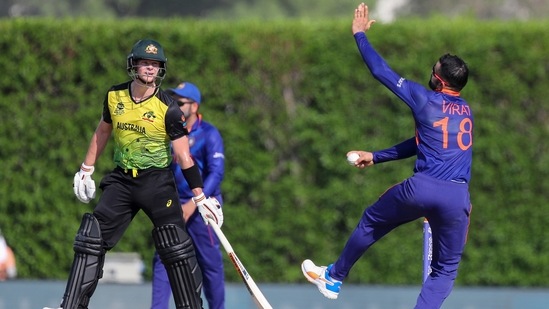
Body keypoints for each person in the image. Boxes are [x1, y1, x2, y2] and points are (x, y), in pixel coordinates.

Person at [301, 3, 472, 309]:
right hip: (459, 198)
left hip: (424, 187)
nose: (431, 73)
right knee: (444, 271)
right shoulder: (466, 112)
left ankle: (334, 277)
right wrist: (376, 156)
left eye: (434, 70)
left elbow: (380, 70)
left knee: (372, 220)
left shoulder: (424, 98)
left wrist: (359, 35)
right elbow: (422, 143)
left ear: (441, 81)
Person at [44, 39, 223, 309]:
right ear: (134, 64)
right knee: (91, 239)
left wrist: (200, 197)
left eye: (155, 65)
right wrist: (85, 169)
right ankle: (69, 306)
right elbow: (103, 131)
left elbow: (184, 157)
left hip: (158, 183)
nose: (150, 69)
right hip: (123, 180)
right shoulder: (114, 96)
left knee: (176, 247)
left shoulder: (169, 107)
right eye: (145, 63)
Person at [151, 82, 226, 309]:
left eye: (180, 102)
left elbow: (216, 173)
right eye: (173, 100)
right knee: (163, 259)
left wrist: (194, 204)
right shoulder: (168, 131)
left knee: (209, 265)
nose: (175, 105)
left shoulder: (209, 133)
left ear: (194, 106)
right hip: (174, 205)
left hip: (203, 208)